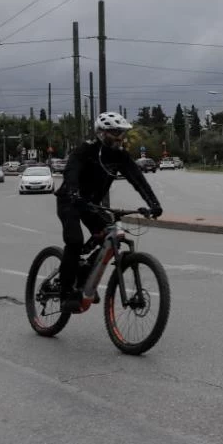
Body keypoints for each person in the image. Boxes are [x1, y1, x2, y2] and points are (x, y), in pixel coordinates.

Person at [54, 112, 163, 310]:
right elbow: (71, 172)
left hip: (92, 205)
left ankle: (86, 274)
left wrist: (154, 204)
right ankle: (65, 293)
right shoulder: (85, 150)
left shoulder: (120, 156)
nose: (120, 137)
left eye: (121, 133)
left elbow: (138, 180)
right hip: (70, 201)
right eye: (115, 132)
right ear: (102, 133)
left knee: (110, 234)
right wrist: (73, 192)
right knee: (75, 241)